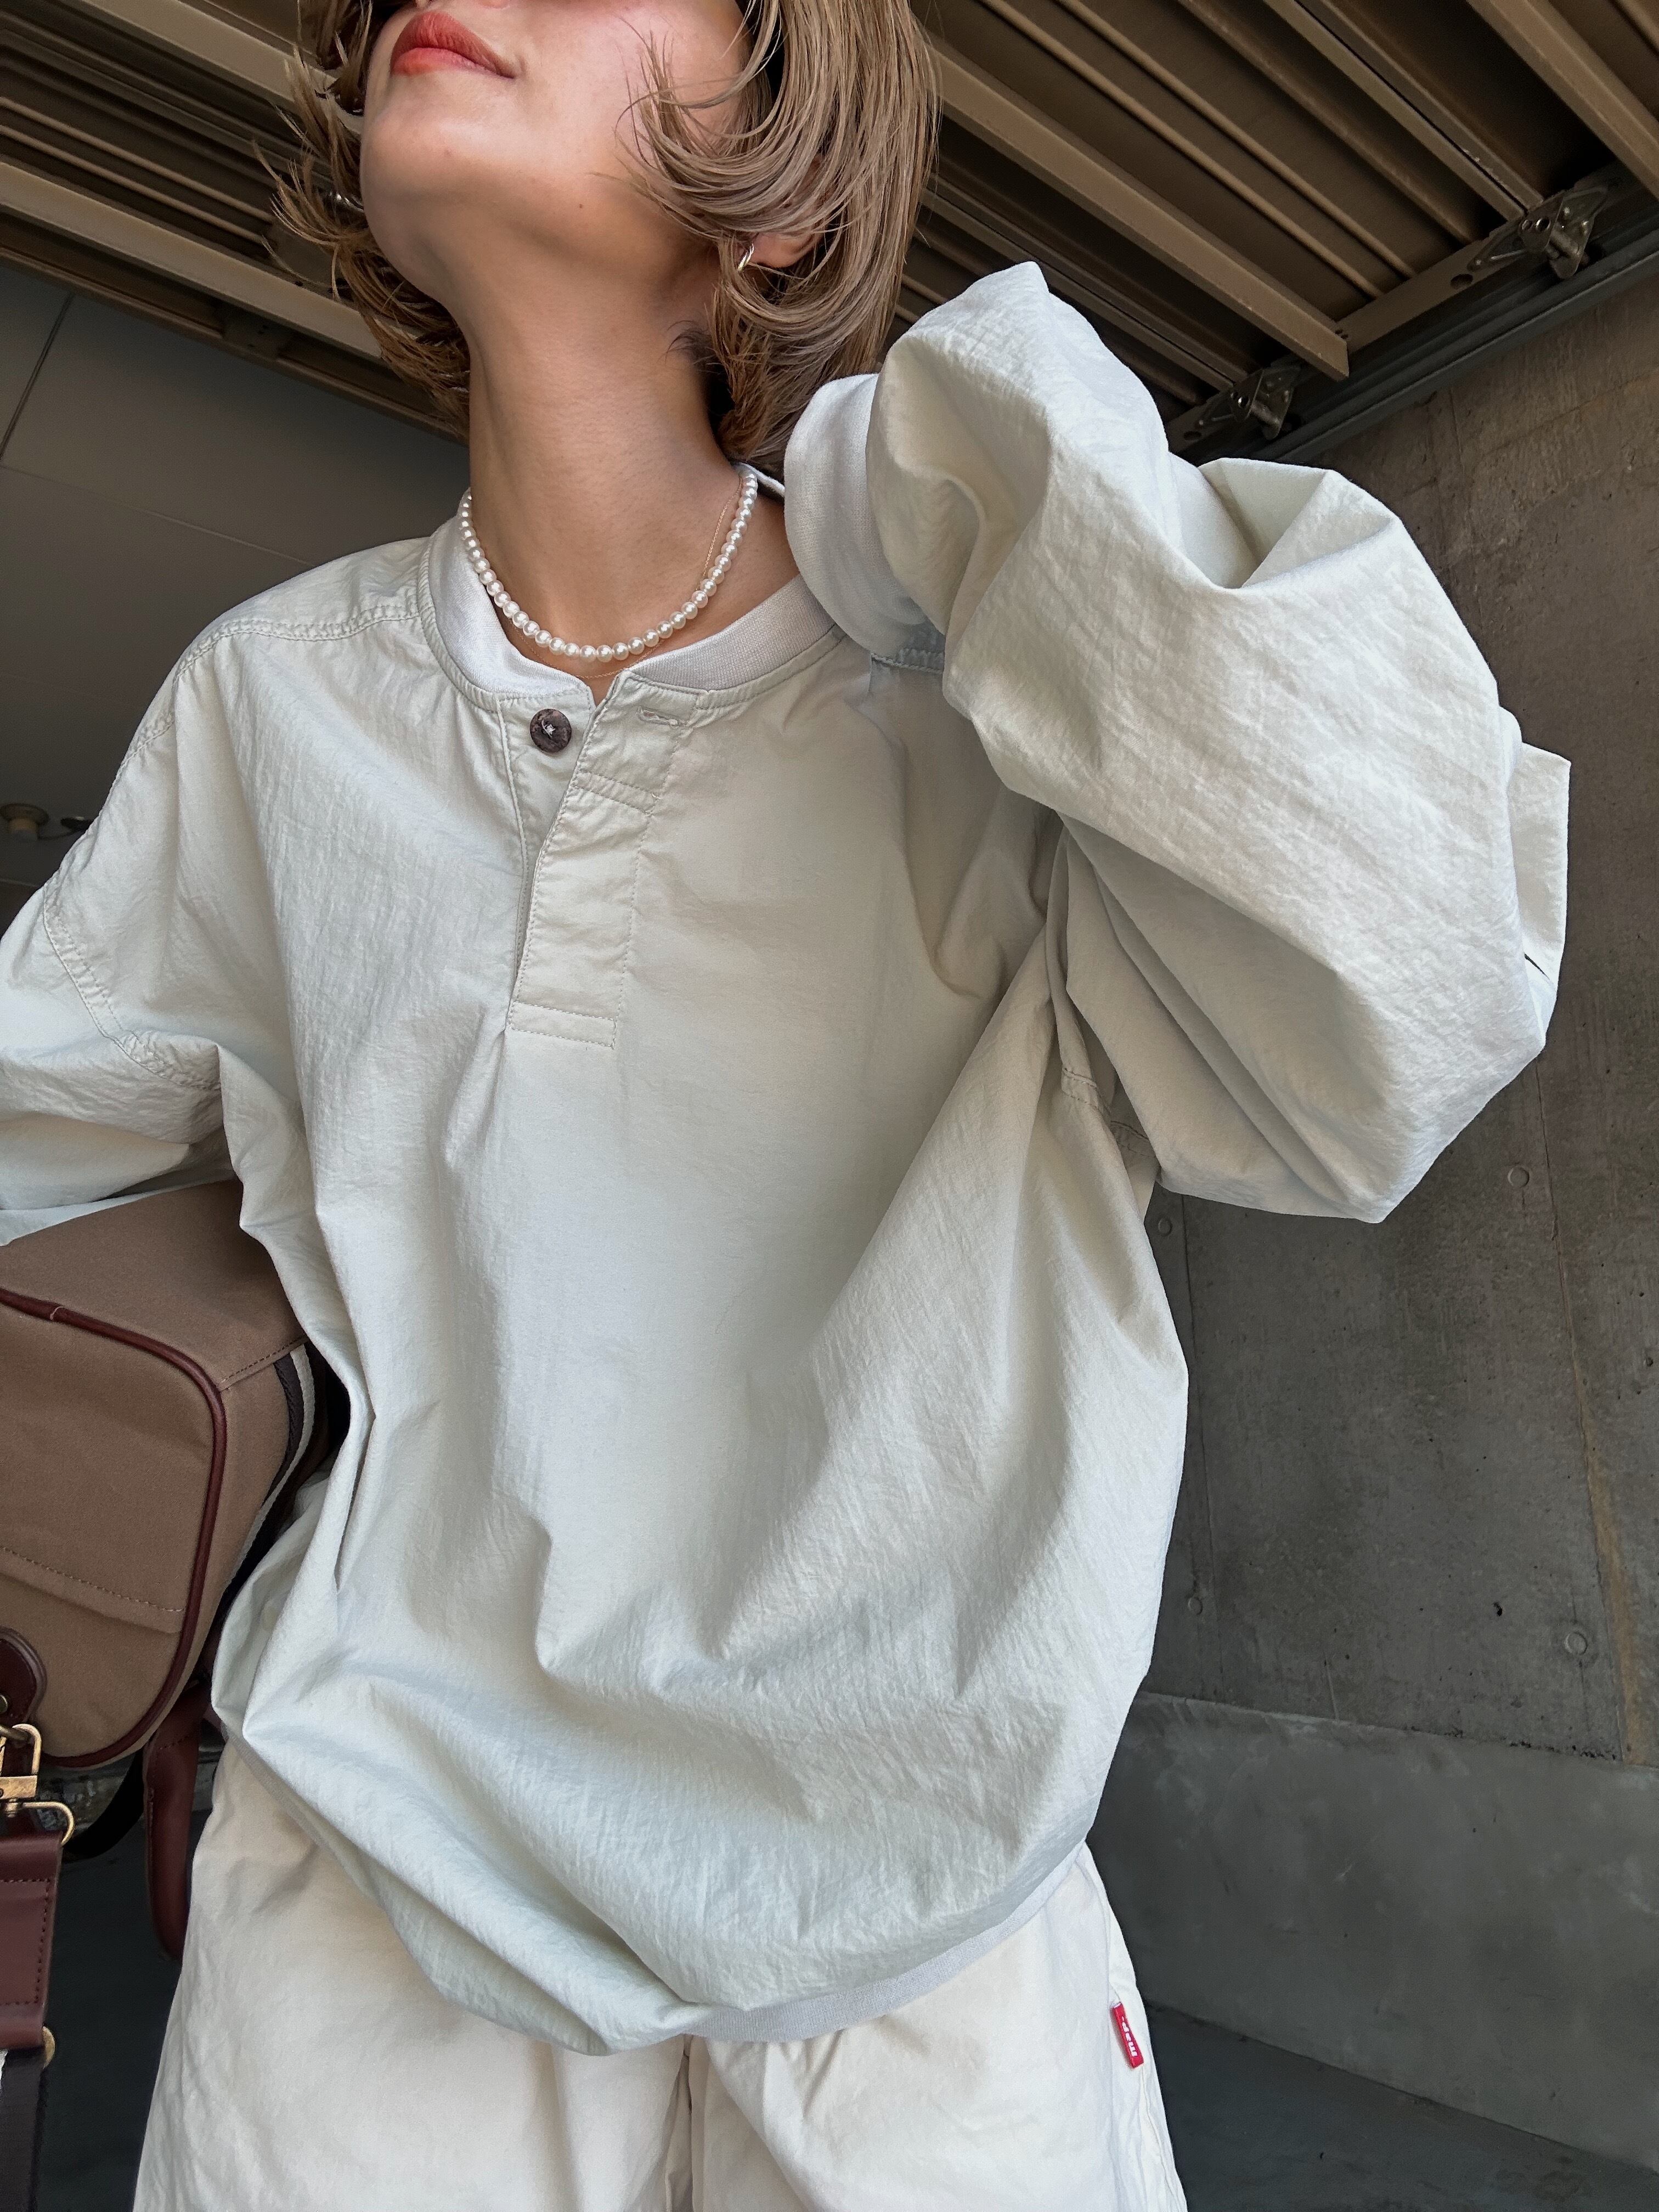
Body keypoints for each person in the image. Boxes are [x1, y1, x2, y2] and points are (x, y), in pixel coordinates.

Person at [0, 0, 1568, 2196]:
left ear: (786, 185)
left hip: (921, 1954)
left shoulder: (992, 670)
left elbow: (1405, 1016)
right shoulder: (271, 706)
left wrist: (970, 475)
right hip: (364, 1919)